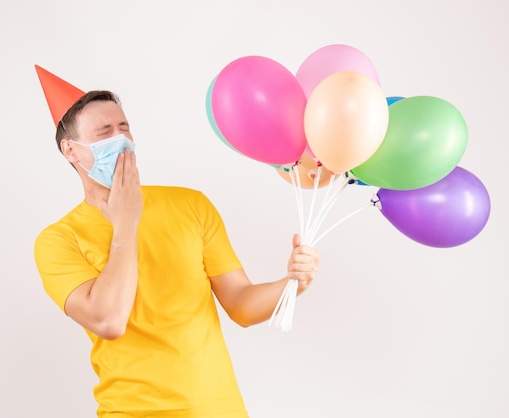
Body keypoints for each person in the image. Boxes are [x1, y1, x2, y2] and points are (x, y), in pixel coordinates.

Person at [33, 65, 320, 417]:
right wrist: (125, 225)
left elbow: (242, 307)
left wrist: (293, 284)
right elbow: (108, 321)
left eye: (124, 128)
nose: (120, 139)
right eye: (104, 132)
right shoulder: (59, 240)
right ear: (71, 151)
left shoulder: (190, 205)